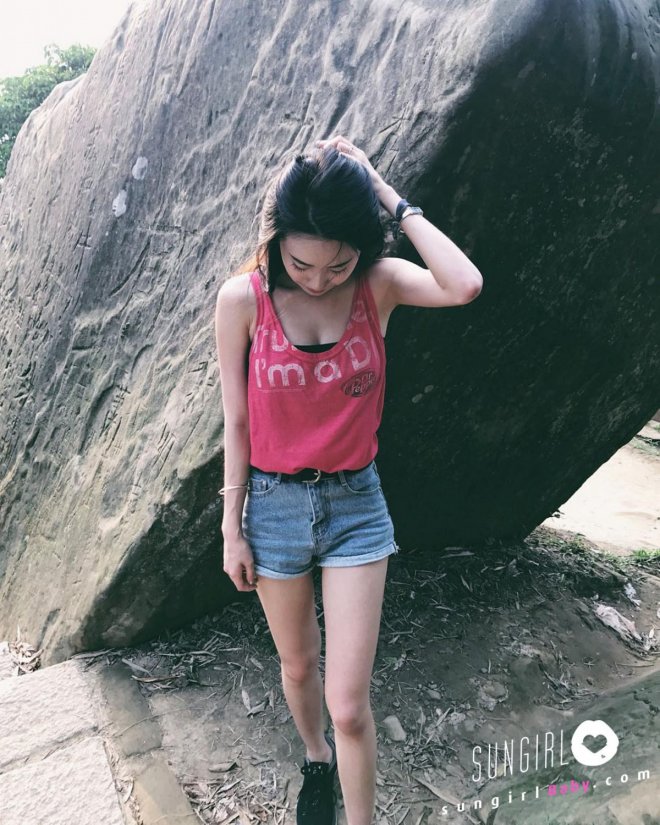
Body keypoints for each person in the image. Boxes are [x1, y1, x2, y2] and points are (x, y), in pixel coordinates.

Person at [214, 135, 482, 825]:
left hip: (355, 504)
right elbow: (237, 423)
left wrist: (385, 192)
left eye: (338, 264)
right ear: (276, 240)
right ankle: (315, 758)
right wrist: (231, 529)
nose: (318, 279)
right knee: (299, 666)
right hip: (272, 505)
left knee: (350, 706)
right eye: (301, 262)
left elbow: (463, 284)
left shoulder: (377, 286)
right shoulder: (243, 300)